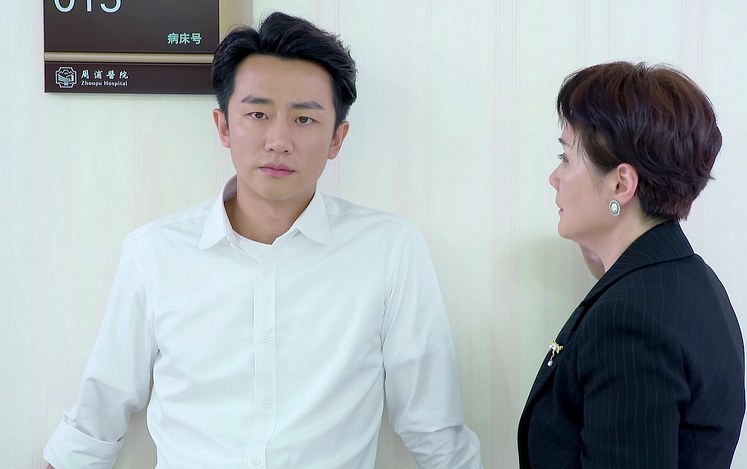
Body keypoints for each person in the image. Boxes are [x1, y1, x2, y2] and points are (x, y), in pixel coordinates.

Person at [44, 12, 482, 469]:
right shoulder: (154, 252)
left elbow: (436, 432)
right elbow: (95, 422)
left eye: (304, 119)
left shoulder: (389, 250)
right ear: (223, 126)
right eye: (257, 114)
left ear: (337, 138)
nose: (278, 140)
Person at [518, 62, 745, 468]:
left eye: (565, 157)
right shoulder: (691, 280)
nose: (554, 177)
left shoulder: (629, 321)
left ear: (621, 184)